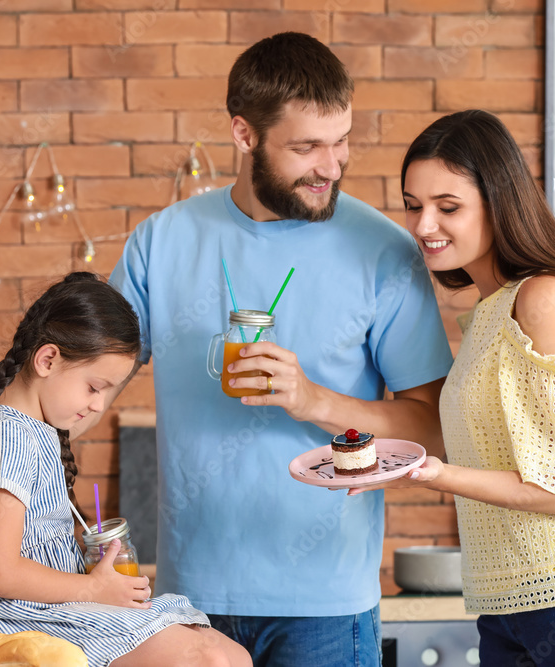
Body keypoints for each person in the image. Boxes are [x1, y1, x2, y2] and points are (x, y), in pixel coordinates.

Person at [107, 32, 454, 665]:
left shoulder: (385, 251)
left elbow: (431, 428)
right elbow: (82, 376)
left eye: (341, 140)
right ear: (244, 134)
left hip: (328, 604)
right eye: (306, 147)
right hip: (189, 602)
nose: (331, 166)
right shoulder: (162, 241)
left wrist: (314, 400)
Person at [350, 109, 555, 665]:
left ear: (499, 202)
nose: (424, 226)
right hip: (511, 608)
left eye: (448, 207)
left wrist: (435, 474)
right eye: (413, 205)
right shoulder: (489, 313)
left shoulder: (546, 297)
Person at [0, 272, 250, 667]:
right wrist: (93, 588)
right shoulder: (6, 440)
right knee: (210, 658)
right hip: (17, 621)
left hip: (53, 610)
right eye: (95, 388)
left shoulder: (33, 429)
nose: (98, 406)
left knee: (230, 655)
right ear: (48, 359)